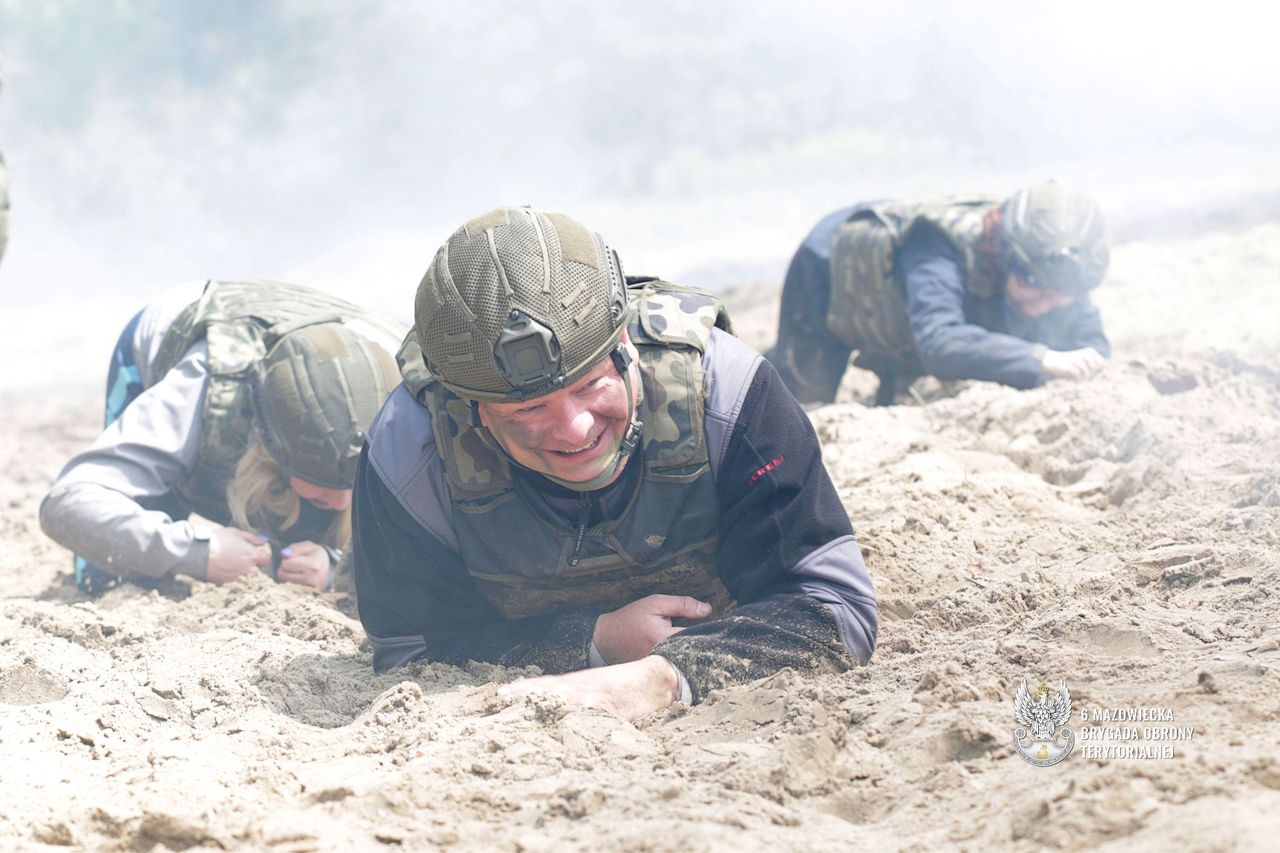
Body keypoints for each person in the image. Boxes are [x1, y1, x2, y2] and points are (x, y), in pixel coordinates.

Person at [352, 206, 878, 720]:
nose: (576, 430)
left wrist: (659, 678)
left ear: (624, 345)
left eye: (590, 385)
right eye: (530, 409)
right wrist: (592, 642)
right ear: (473, 410)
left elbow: (834, 607)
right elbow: (411, 651)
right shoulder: (411, 451)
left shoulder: (726, 393)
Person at [41, 279, 405, 595]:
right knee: (108, 574)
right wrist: (200, 552)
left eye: (354, 485)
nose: (344, 501)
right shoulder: (203, 386)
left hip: (333, 330)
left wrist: (335, 567)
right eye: (321, 481)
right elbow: (68, 504)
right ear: (269, 449)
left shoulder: (413, 399)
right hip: (184, 327)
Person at [767, 181, 1112, 405]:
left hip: (908, 312)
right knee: (800, 399)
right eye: (1036, 289)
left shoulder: (1055, 271)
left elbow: (1092, 347)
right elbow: (940, 341)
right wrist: (1040, 358)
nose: (1045, 306)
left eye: (1060, 297)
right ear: (1003, 253)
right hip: (831, 272)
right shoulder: (938, 245)